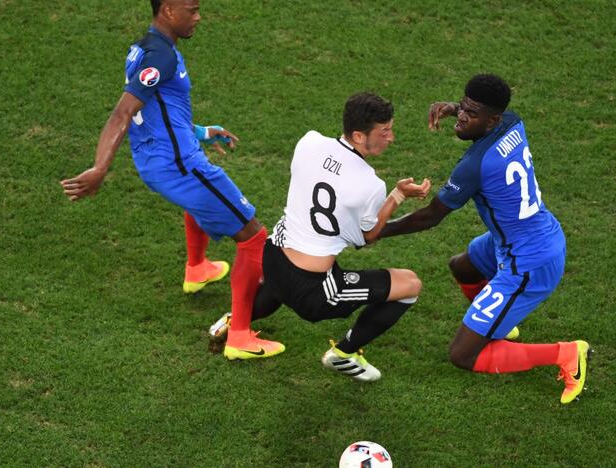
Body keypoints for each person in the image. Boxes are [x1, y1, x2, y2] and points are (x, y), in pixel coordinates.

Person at [60, 0, 284, 360]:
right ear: (167, 10)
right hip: (180, 166)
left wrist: (201, 132)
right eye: (192, 10)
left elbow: (157, 111)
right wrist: (100, 167)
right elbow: (123, 113)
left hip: (156, 163)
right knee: (254, 238)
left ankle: (197, 268)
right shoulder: (160, 58)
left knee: (197, 202)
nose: (198, 17)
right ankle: (240, 335)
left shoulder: (144, 49)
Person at [378, 74, 591, 404]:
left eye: (470, 114)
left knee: (462, 355)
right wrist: (452, 108)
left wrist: (381, 230)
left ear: (492, 120)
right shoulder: (512, 122)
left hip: (529, 262)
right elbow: (483, 114)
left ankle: (566, 354)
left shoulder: (475, 166)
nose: (462, 116)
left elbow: (431, 215)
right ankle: (498, 325)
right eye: (462, 107)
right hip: (523, 237)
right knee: (463, 267)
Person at [235, 92, 430, 381]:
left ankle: (235, 322)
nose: (392, 137)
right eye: (385, 131)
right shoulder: (369, 183)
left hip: (273, 257)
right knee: (411, 284)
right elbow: (368, 236)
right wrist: (398, 194)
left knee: (281, 282)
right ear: (359, 136)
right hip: (312, 291)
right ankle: (345, 354)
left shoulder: (309, 141)